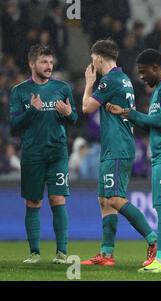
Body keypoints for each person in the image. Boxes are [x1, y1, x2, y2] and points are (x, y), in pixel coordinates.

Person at [106, 49, 161, 273]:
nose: (142, 77)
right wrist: (125, 113)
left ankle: (160, 260)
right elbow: (154, 122)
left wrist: (131, 113)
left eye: (144, 72)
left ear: (155, 68)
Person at [80, 39, 157, 267]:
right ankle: (106, 254)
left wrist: (88, 84)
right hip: (113, 146)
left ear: (99, 58)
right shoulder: (123, 79)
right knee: (104, 200)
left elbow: (86, 108)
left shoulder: (110, 80)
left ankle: (153, 241)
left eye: (93, 59)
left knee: (114, 198)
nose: (92, 63)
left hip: (118, 147)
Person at [9, 44, 77, 264]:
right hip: (32, 155)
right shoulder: (19, 91)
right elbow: (13, 126)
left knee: (58, 199)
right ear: (32, 64)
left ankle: (62, 253)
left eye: (50, 61)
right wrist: (31, 110)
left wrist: (69, 113)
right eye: (43, 62)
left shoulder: (63, 87)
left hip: (57, 153)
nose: (49, 66)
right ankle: (35, 253)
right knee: (33, 202)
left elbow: (74, 118)